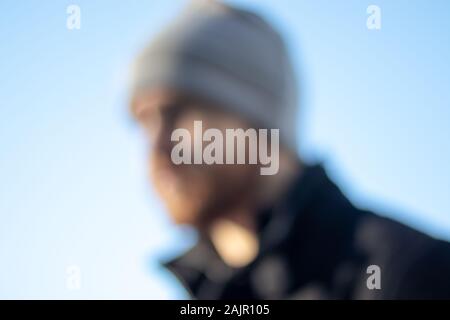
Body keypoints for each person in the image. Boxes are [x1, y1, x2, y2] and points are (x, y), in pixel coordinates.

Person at [129, 0, 450, 299]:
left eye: (178, 113)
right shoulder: (204, 293)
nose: (156, 147)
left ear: (256, 118)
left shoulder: (411, 273)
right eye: (143, 121)